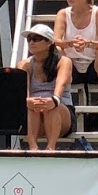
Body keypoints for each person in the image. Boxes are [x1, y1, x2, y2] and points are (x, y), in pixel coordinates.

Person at [16, 23, 74, 151]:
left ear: (49, 43)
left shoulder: (63, 61)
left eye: (36, 39)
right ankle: (33, 147)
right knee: (31, 105)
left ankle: (51, 148)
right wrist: (28, 101)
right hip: (35, 116)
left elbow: (61, 84)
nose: (31, 42)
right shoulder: (24, 64)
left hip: (61, 114)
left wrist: (54, 100)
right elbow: (22, 91)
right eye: (29, 39)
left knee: (51, 106)